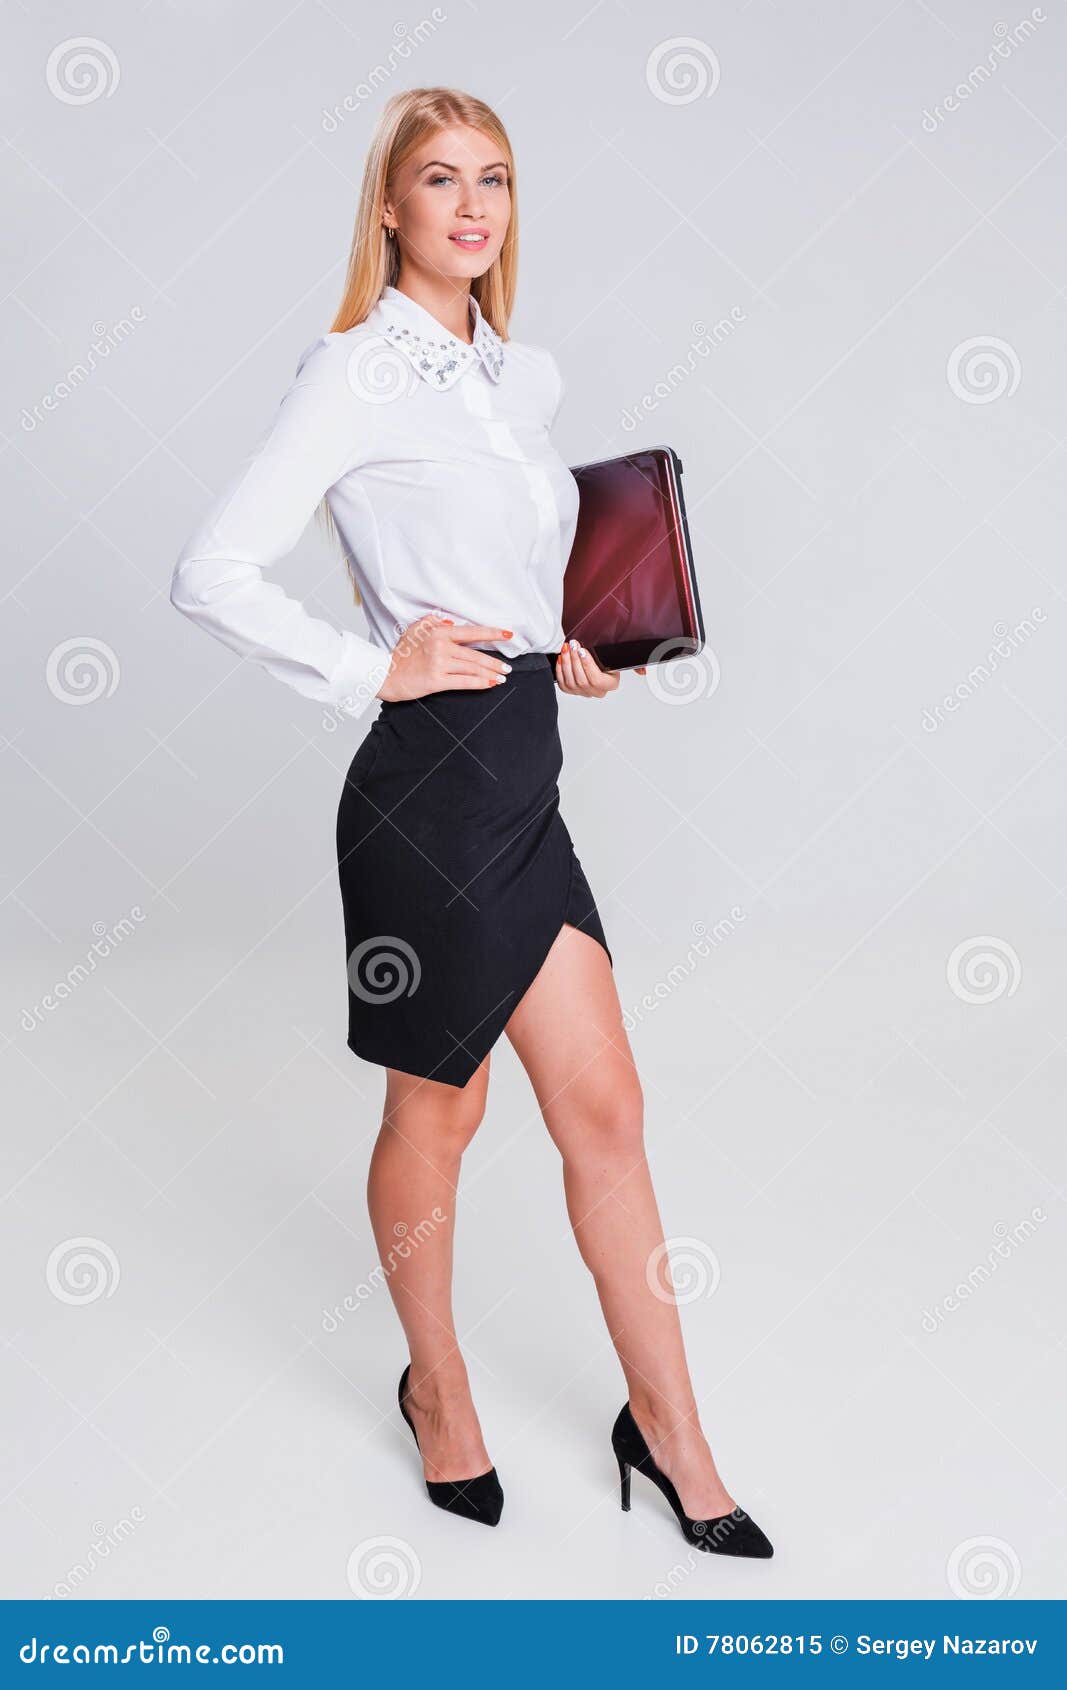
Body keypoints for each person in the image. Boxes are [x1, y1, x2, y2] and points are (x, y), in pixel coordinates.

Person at [170, 85, 771, 1559]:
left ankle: (674, 1433)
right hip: (427, 788)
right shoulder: (353, 373)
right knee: (439, 1109)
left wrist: (578, 642)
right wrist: (368, 665)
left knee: (609, 1111)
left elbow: (515, 583)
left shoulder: (521, 380)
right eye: (439, 180)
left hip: (527, 768)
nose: (472, 205)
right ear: (392, 210)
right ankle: (438, 1390)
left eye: (493, 178)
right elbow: (213, 569)